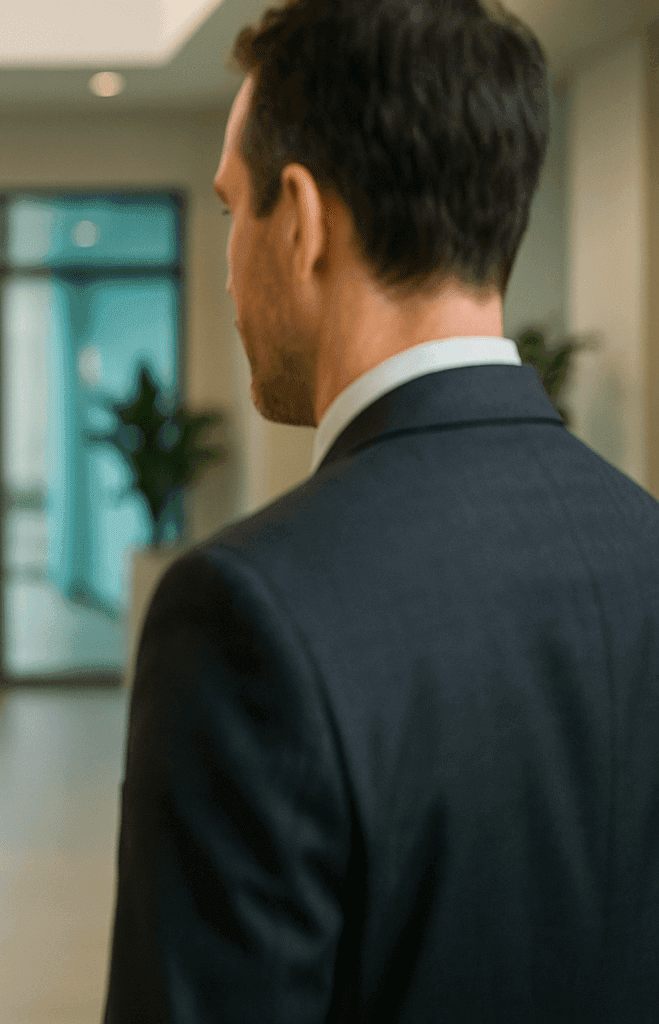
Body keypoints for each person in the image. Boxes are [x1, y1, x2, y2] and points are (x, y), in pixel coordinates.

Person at [105, 1, 659, 1020]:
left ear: (304, 221)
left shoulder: (244, 613)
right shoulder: (645, 543)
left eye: (233, 214)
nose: (230, 267)